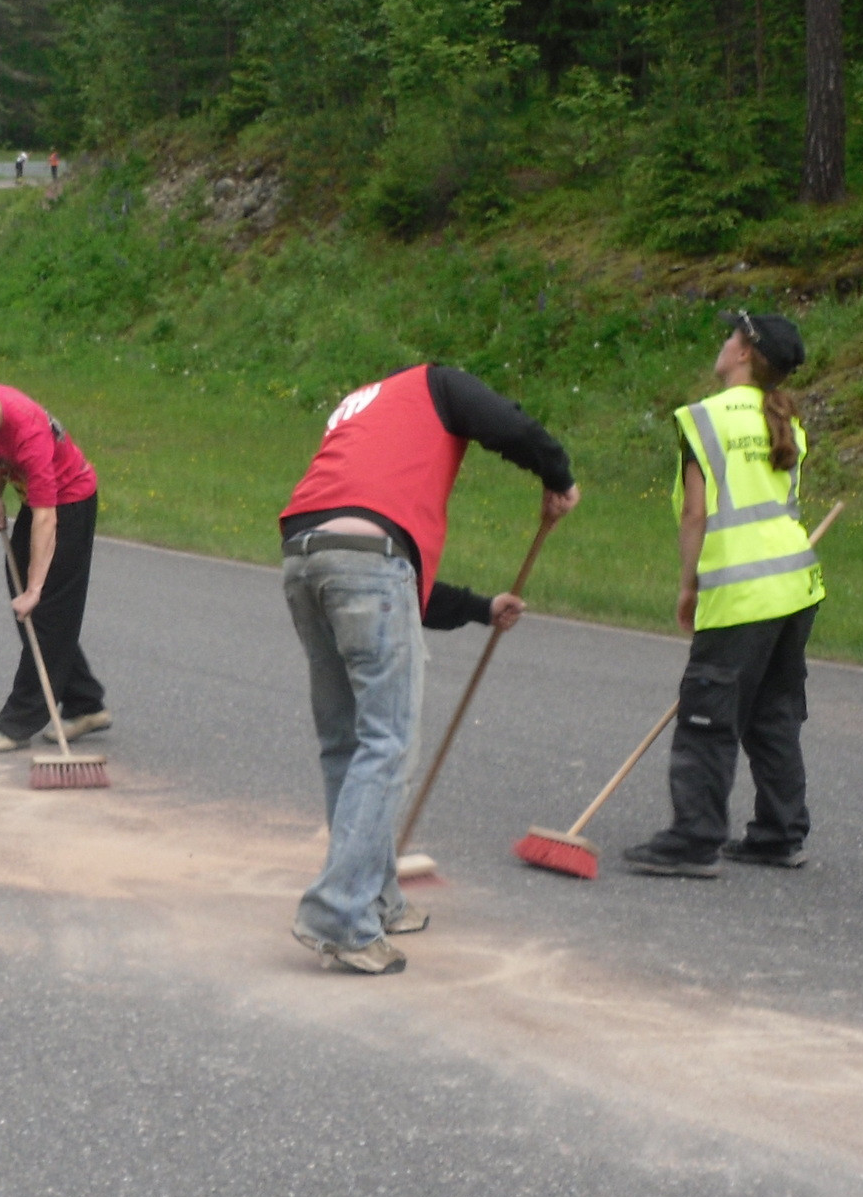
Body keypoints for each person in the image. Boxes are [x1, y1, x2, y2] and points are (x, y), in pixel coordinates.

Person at [280, 365, 578, 973]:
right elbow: (509, 425)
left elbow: (385, 571)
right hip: (367, 565)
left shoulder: (362, 406)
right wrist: (558, 474)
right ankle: (339, 914)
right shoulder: (436, 384)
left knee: (347, 744)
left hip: (302, 560)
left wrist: (478, 608)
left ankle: (378, 899)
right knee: (385, 745)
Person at [623, 311, 825, 877]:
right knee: (774, 713)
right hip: (796, 586)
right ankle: (779, 833)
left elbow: (695, 513)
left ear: (743, 352)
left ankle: (693, 838)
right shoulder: (785, 419)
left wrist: (688, 585)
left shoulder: (703, 420)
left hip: (739, 591)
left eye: (729, 335)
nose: (722, 342)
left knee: (709, 714)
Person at [0, 382, 111, 752]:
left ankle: (17, 724)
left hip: (68, 503)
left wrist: (35, 589)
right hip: (35, 499)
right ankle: (84, 703)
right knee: (28, 600)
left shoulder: (29, 434)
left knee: (44, 609)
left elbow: (47, 519)